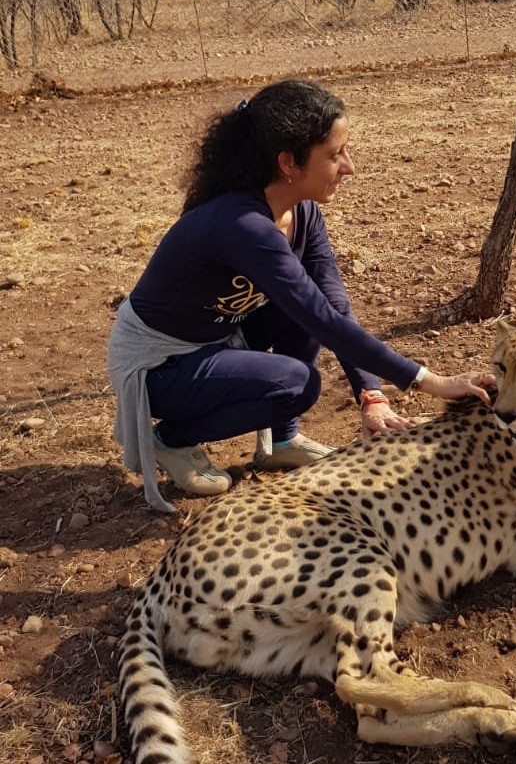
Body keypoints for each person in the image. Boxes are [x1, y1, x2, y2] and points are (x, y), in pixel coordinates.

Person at [108, 79, 493, 513]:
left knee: (302, 315)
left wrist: (372, 395)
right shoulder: (243, 225)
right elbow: (321, 320)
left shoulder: (301, 212)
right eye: (334, 155)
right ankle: (173, 440)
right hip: (161, 366)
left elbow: (331, 305)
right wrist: (431, 382)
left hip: (217, 338)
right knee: (297, 382)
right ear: (289, 162)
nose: (349, 167)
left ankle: (282, 440)